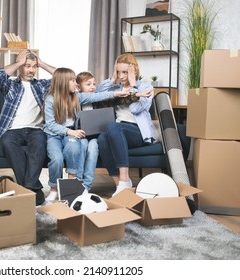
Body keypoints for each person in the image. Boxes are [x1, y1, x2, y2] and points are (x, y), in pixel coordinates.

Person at [43, 67, 129, 201]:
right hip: (54, 135)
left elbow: (96, 96)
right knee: (56, 159)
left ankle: (71, 185)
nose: (76, 84)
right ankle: (54, 188)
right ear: (63, 83)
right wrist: (70, 131)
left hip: (71, 134)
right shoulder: (50, 100)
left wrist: (116, 94)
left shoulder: (77, 97)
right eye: (72, 81)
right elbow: (50, 125)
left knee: (74, 148)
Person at [0, 50, 56, 206]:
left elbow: (64, 77)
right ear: (20, 67)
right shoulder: (10, 86)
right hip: (12, 130)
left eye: (34, 67)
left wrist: (41, 63)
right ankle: (32, 188)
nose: (31, 70)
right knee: (7, 142)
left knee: (40, 143)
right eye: (27, 66)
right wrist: (19, 62)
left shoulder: (41, 85)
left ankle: (25, 188)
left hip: (36, 130)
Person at [96, 53, 156, 197]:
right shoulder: (116, 88)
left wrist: (134, 86)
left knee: (112, 127)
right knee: (102, 138)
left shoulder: (146, 87)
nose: (121, 76)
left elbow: (136, 109)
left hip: (138, 132)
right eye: (118, 72)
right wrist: (112, 78)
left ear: (134, 71)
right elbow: (99, 92)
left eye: (124, 72)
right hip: (117, 132)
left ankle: (124, 179)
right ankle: (120, 186)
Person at [74, 71, 102, 191]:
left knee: (93, 147)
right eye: (88, 84)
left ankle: (87, 185)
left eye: (94, 84)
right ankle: (78, 181)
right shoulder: (75, 100)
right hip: (81, 135)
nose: (92, 87)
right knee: (83, 145)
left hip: (95, 135)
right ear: (79, 87)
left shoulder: (99, 100)